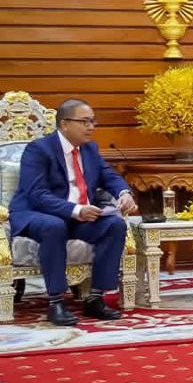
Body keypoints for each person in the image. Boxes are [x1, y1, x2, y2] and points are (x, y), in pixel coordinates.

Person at [8, 99, 138, 326]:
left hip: (78, 217)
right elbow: (37, 194)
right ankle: (56, 302)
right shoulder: (39, 149)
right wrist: (76, 209)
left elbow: (109, 176)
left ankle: (95, 298)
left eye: (93, 121)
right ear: (64, 124)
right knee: (54, 226)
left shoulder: (89, 149)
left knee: (115, 225)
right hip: (37, 213)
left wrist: (124, 193)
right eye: (85, 122)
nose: (91, 127)